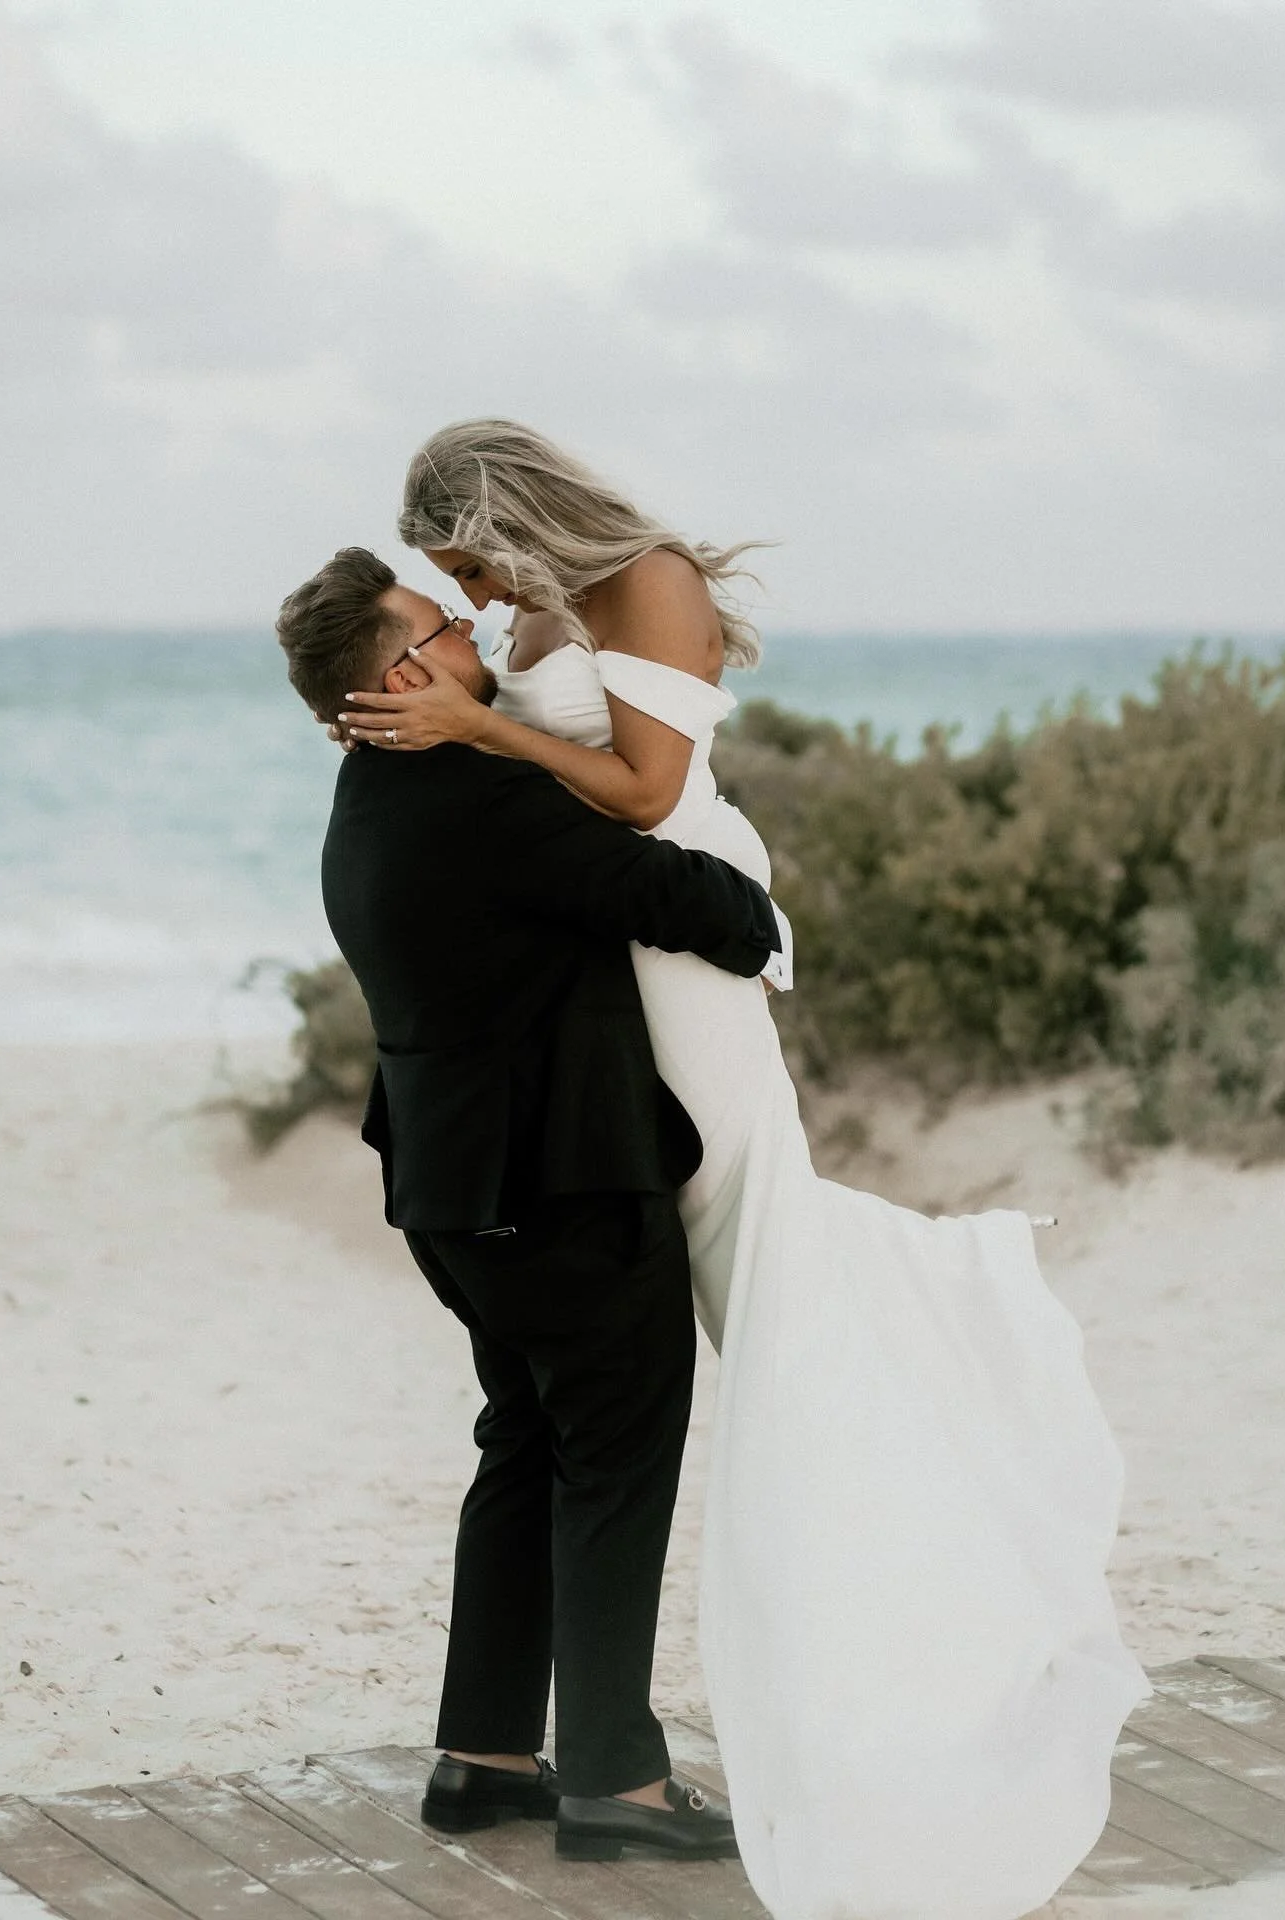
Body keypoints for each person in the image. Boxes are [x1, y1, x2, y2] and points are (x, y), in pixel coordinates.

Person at [328, 420, 1152, 1920]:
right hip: (599, 1004)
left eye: (464, 568)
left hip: (665, 960)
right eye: (446, 595)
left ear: (505, 516)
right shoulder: (510, 638)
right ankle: (585, 1776)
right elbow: (514, 815)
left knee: (700, 1324)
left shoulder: (647, 582)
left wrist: (473, 730)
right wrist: (445, 725)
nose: (468, 599)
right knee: (602, 1402)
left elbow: (640, 793)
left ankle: (536, 1750)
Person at [277, 546, 785, 1863]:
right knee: (615, 1460)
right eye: (444, 622)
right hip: (561, 1187)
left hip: (454, 1191)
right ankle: (615, 1780)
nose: (468, 629)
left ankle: (486, 1755)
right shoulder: (474, 796)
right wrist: (729, 862)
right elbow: (702, 909)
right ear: (403, 672)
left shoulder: (368, 792)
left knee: (528, 1447)